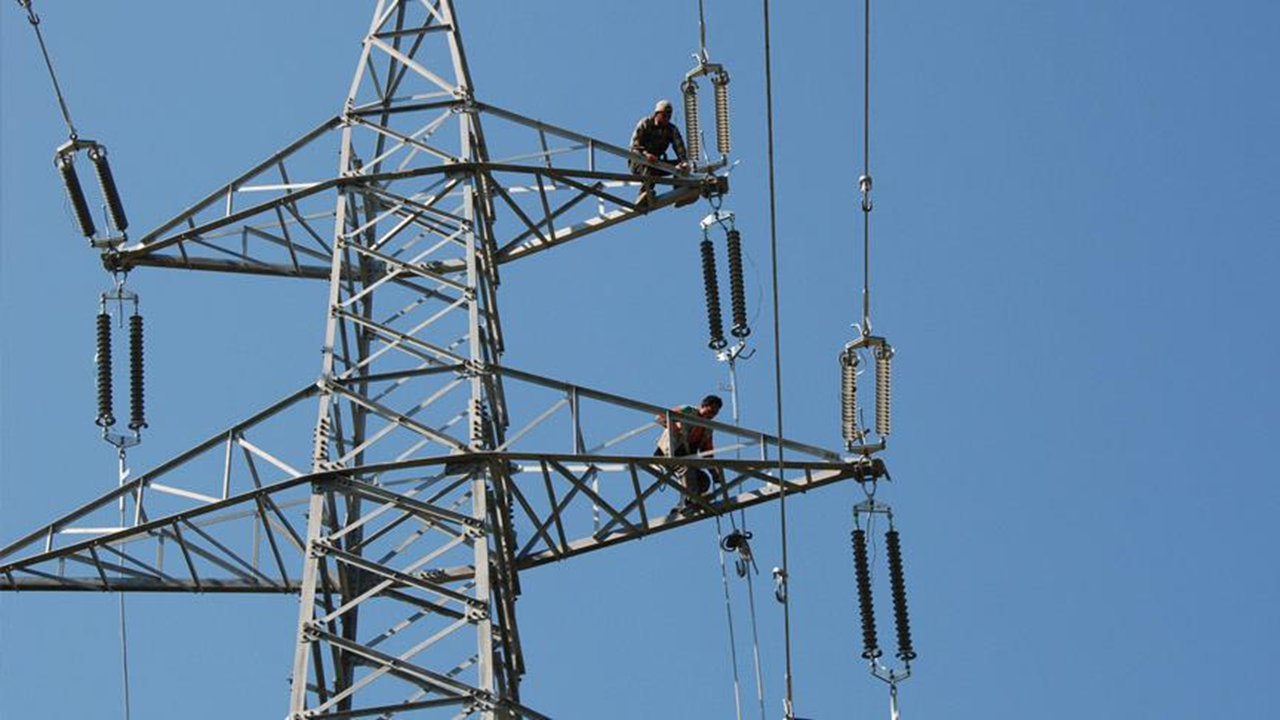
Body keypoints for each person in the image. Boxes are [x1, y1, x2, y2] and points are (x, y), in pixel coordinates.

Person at [655, 394, 724, 515]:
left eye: (714, 414)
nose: (711, 416)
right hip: (669, 453)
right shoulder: (688, 410)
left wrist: (714, 473)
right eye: (710, 411)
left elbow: (707, 453)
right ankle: (689, 502)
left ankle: (687, 502)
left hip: (686, 457)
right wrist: (674, 427)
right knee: (687, 470)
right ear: (703, 406)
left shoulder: (708, 428)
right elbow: (660, 416)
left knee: (703, 480)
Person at [629, 98, 690, 208]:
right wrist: (646, 155)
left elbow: (679, 147)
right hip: (639, 161)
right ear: (657, 114)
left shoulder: (671, 129)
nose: (667, 119)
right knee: (649, 165)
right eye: (664, 115)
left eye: (669, 116)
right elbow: (634, 146)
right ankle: (644, 194)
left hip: (657, 162)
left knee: (679, 167)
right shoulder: (645, 123)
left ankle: (680, 192)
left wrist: (683, 163)